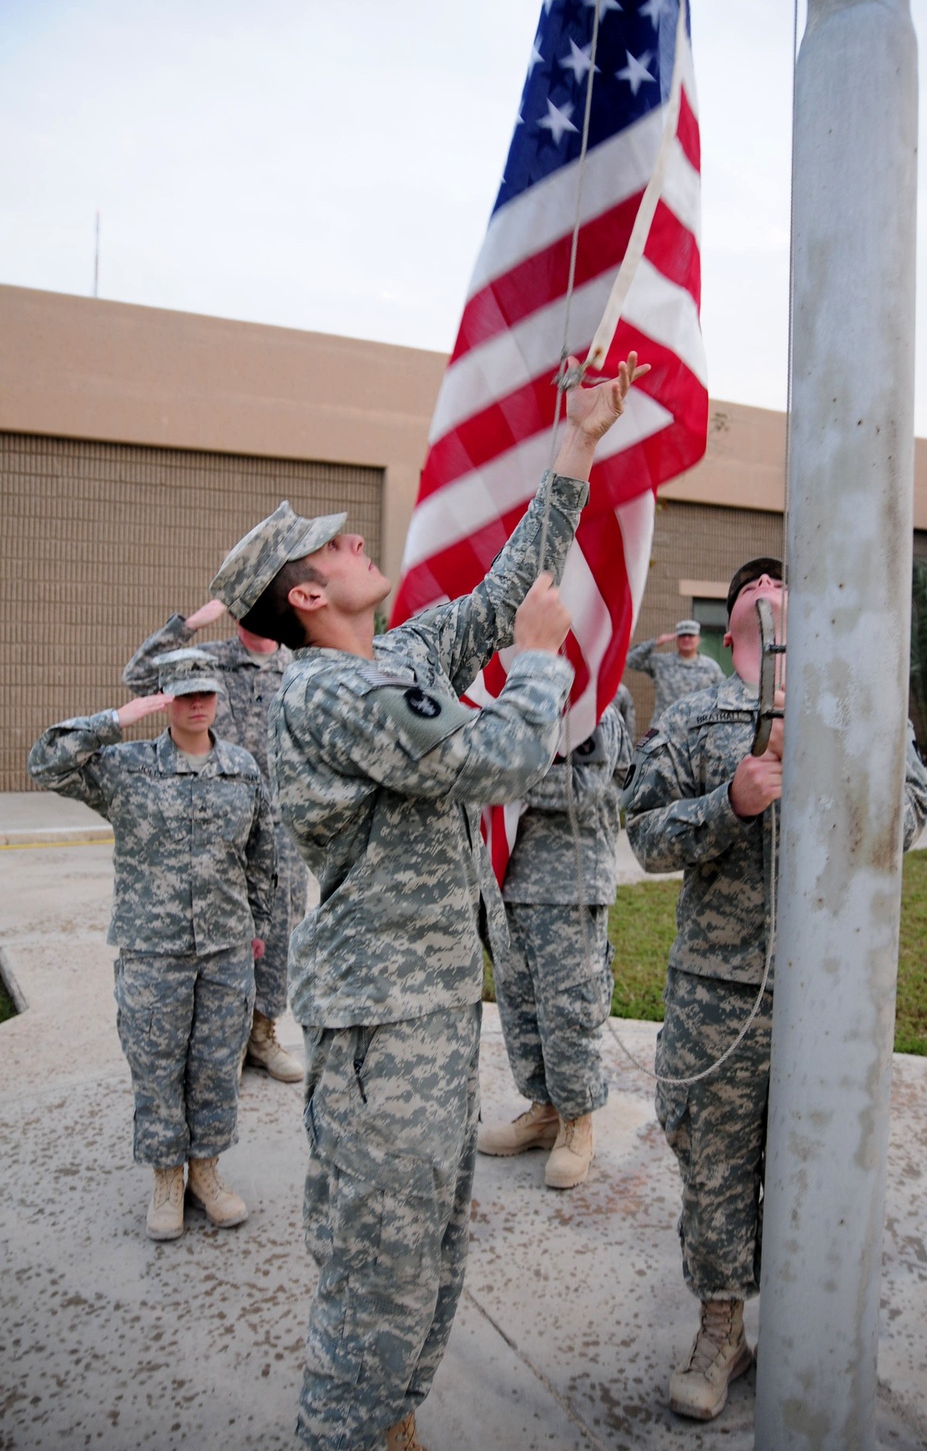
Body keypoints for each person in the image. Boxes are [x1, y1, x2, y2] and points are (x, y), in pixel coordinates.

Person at [208, 353, 648, 1451]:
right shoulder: (335, 691)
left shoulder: (391, 655)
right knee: (379, 1281)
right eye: (334, 543)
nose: (357, 537)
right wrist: (539, 669)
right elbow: (503, 754)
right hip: (382, 1030)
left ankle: (391, 1427)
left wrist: (576, 445)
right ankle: (353, 1428)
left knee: (434, 1251)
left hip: (429, 1013)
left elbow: (501, 598)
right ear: (306, 596)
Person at [622, 557, 927, 1422]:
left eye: (784, 582)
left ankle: (817, 1325)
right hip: (720, 992)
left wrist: (831, 790)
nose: (768, 588)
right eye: (752, 586)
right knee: (713, 1166)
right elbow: (643, 834)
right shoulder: (691, 713)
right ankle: (723, 1328)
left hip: (830, 991)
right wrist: (729, 803)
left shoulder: (860, 702)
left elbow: (906, 807)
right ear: (732, 621)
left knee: (826, 1165)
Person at [27, 649, 276, 1242]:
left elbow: (263, 855)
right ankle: (167, 1176)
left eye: (205, 693)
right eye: (184, 693)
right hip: (152, 949)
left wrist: (258, 925)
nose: (196, 704)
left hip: (225, 949)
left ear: (218, 698)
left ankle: (206, 1173)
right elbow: (46, 763)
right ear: (165, 699)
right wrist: (115, 719)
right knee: (157, 1066)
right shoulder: (124, 766)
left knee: (217, 1066)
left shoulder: (242, 768)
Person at [122, 599, 307, 1082]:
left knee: (280, 929)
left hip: (281, 827)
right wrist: (187, 626)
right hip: (214, 826)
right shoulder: (208, 662)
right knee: (214, 933)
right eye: (249, 602)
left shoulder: (299, 666)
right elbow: (139, 677)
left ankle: (262, 1034)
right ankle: (217, 1041)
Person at [478, 694, 632, 1188]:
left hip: (568, 883)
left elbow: (584, 788)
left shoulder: (593, 708)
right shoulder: (510, 700)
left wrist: (504, 775)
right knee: (521, 1009)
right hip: (512, 879)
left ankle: (577, 1121)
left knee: (569, 1011)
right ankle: (544, 1110)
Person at [626, 618, 724, 729]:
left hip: (697, 730)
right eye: (682, 635)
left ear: (698, 639)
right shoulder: (662, 662)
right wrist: (655, 642)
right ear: (676, 639)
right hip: (665, 729)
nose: (686, 639)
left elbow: (721, 696)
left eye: (690, 635)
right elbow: (630, 660)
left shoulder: (710, 667)